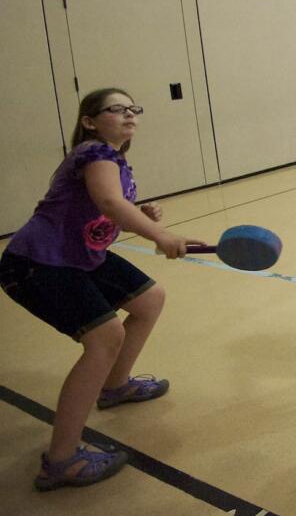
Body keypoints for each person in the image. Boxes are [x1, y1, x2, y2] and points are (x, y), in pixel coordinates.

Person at [1, 88, 202, 490]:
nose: (129, 115)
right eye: (117, 109)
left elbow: (107, 208)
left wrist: (142, 213)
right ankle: (60, 461)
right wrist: (158, 233)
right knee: (104, 337)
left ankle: (115, 385)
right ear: (90, 121)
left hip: (81, 256)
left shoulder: (115, 160)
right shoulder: (94, 153)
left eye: (133, 109)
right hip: (38, 262)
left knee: (149, 299)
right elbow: (109, 202)